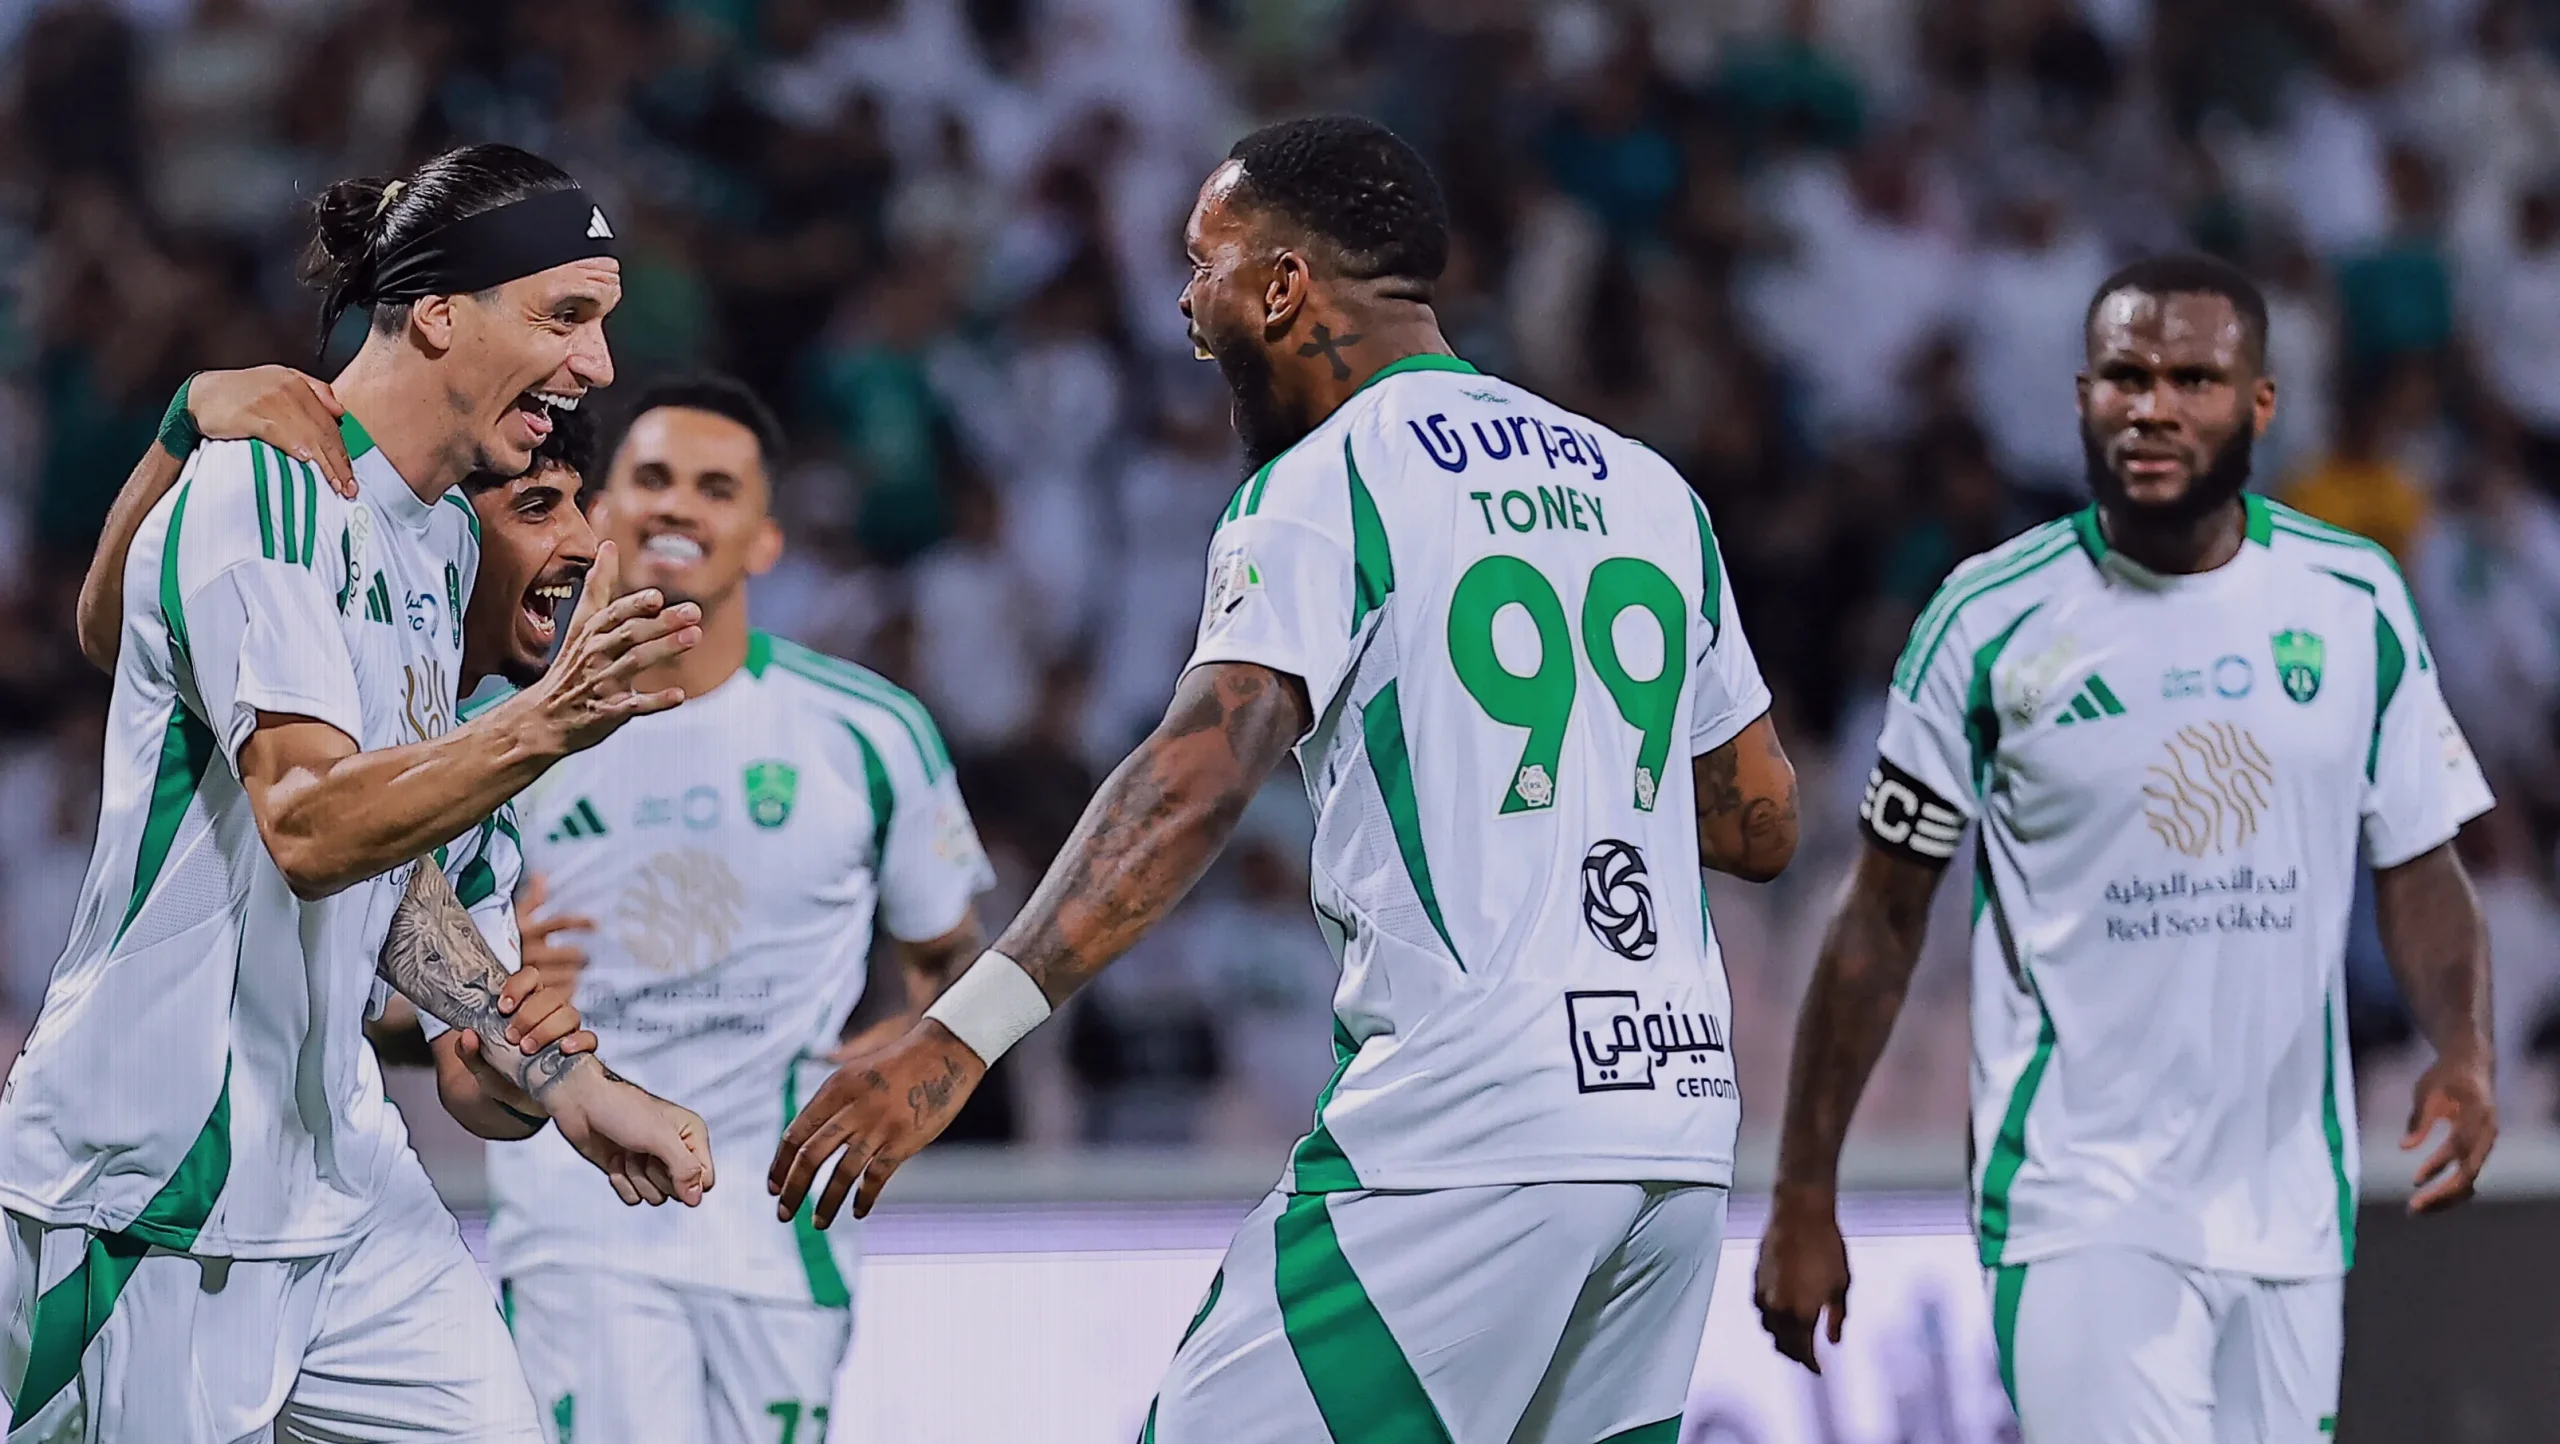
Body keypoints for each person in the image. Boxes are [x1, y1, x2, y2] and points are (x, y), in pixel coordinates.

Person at [773, 116, 1801, 1442]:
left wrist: (960, 1030)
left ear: (1283, 286)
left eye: (1200, 265)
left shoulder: (1328, 481)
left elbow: (1196, 776)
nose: (1186, 310)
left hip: (1466, 1131)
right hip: (1670, 1130)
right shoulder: (1650, 491)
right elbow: (1762, 821)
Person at [1, 144, 715, 1441]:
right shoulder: (267, 490)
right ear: (439, 312)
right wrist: (544, 726)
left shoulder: (436, 540)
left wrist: (564, 1078)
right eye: (566, 315)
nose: (598, 364)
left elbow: (392, 883)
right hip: (151, 1199)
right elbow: (310, 826)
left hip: (344, 1190)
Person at [1752, 254, 2499, 1442]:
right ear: (2082, 395)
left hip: (2288, 1214)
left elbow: (2418, 864)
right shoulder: (1986, 621)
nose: (2153, 407)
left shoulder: (2352, 598)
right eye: (2125, 376)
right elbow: (1881, 913)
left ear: (2259, 404)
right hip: (2078, 1208)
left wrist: (2462, 1042)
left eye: (2193, 379)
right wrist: (1803, 1188)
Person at [482, 375, 994, 1444]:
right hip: (579, 1232)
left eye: (716, 489)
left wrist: (910, 1054)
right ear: (601, 512)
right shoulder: (503, 734)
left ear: (765, 541)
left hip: (780, 1236)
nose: (678, 505)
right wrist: (491, 991)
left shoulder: (870, 733)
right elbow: (401, 1017)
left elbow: (952, 961)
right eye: (653, 479)